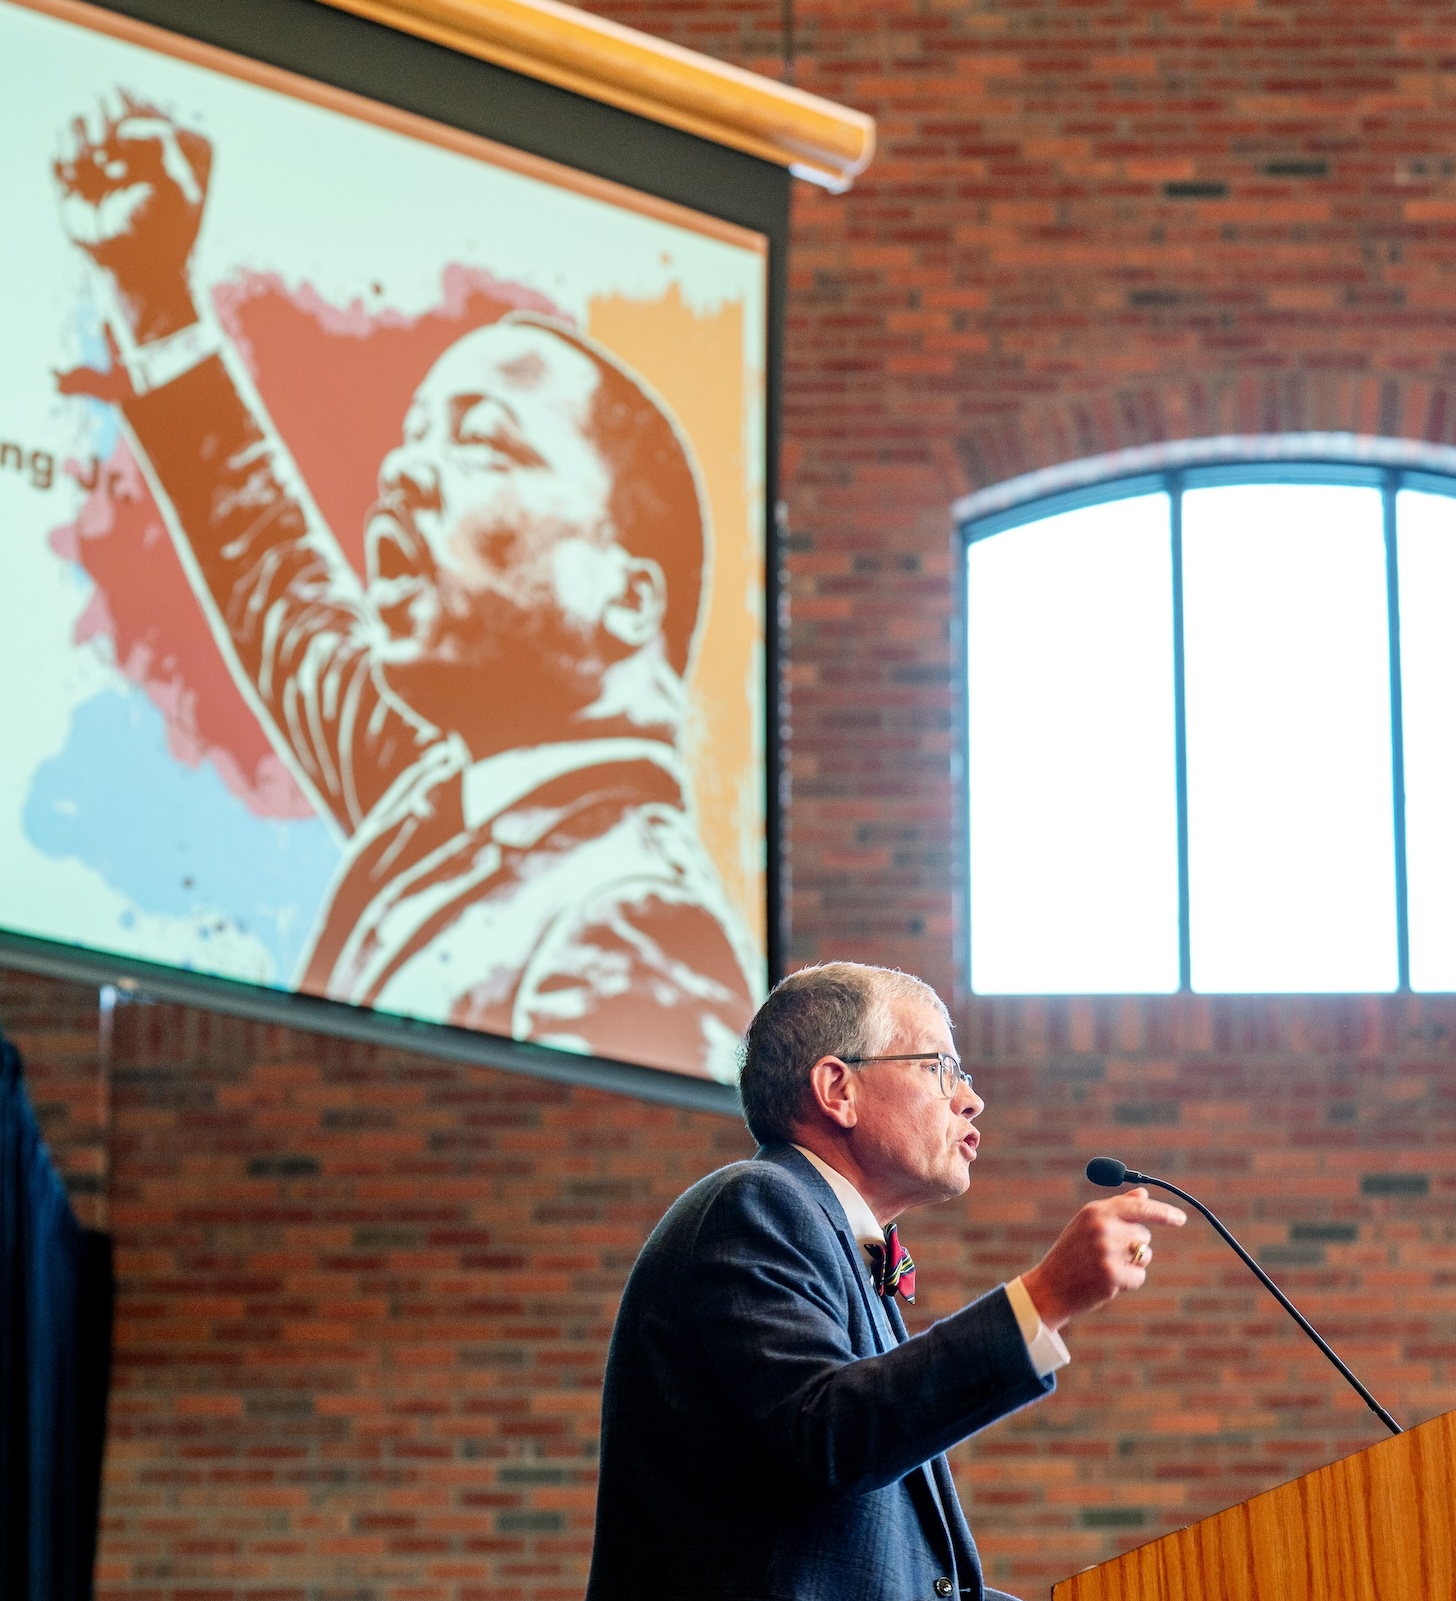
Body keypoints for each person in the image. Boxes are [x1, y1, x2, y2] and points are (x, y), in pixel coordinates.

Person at [51, 100, 758, 1077]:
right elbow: (281, 591)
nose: (405, 471)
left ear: (628, 597)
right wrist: (155, 298)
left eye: (480, 441)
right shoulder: (450, 804)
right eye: (414, 435)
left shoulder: (636, 919)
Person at [586, 962, 1186, 1600]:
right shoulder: (757, 1204)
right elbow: (832, 1432)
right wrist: (1044, 1298)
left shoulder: (831, 1238)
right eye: (939, 1068)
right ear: (837, 1089)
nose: (970, 1099)